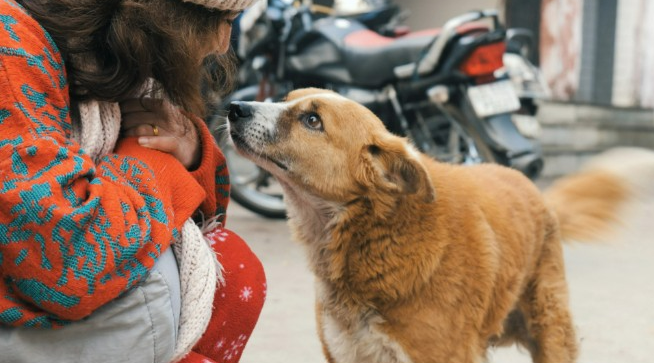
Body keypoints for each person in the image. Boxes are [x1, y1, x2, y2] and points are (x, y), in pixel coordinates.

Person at [0, 0, 265, 362]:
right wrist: (155, 162)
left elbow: (206, 217)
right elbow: (73, 265)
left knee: (232, 263)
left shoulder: (108, 52)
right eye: (221, 20)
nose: (222, 44)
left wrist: (189, 148)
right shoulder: (10, 52)